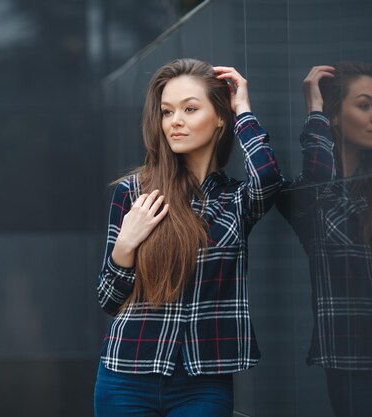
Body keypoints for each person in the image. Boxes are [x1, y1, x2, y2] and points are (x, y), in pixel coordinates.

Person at [94, 58, 283, 417]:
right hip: (126, 375)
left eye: (190, 109)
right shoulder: (135, 193)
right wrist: (124, 247)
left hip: (203, 381)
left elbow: (268, 178)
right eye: (167, 112)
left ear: (220, 117)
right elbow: (107, 298)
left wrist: (243, 107)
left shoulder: (237, 200)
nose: (175, 121)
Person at [277, 62, 372, 417]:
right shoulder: (306, 199)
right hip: (358, 372)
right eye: (364, 105)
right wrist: (315, 111)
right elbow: (317, 178)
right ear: (333, 117)